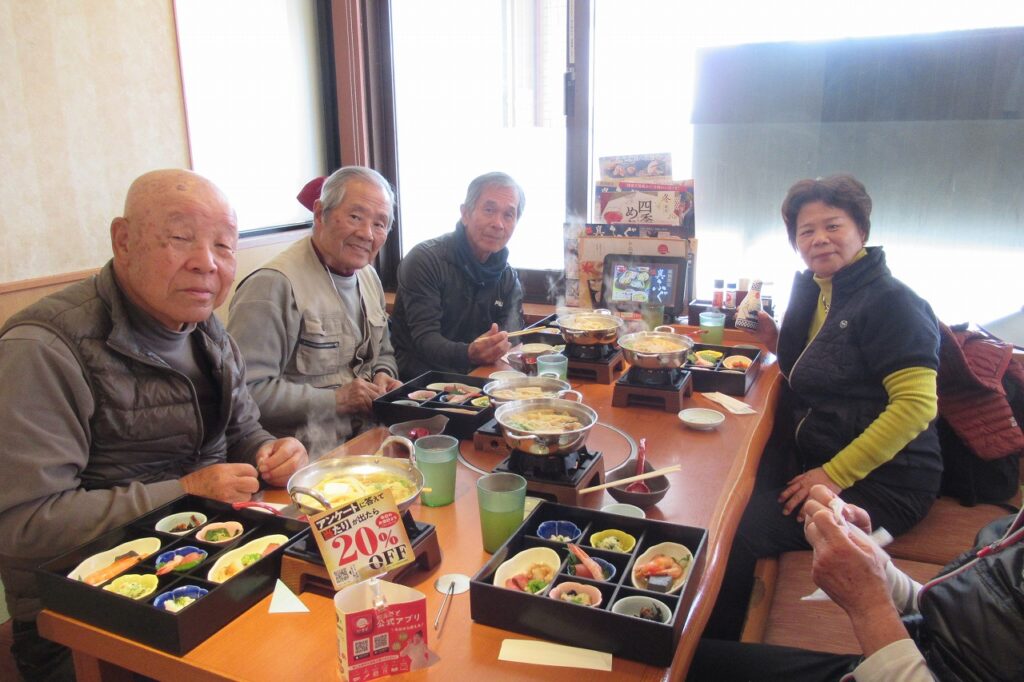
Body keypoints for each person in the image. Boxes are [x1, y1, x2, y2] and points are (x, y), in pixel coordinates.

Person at [0, 169, 308, 681]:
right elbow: (23, 527)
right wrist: (185, 491)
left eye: (224, 245)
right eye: (181, 237)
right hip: (85, 616)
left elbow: (243, 431)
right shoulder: (43, 348)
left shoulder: (205, 327)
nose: (207, 262)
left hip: (213, 568)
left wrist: (270, 451)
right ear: (123, 240)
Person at [706, 174, 942, 639]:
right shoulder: (818, 289)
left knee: (739, 526)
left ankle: (715, 646)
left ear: (862, 230)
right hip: (821, 451)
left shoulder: (893, 303)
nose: (819, 239)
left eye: (833, 226)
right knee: (727, 482)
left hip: (889, 481)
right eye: (806, 231)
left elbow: (917, 406)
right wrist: (776, 341)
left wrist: (833, 475)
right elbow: (830, 373)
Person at [689, 485, 1024, 681]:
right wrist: (874, 565)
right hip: (915, 660)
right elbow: (968, 617)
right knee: (689, 659)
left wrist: (871, 606)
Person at [227, 167, 402, 455]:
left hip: (368, 439)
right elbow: (245, 392)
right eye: (355, 217)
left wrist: (384, 374)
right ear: (320, 213)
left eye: (380, 224)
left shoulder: (368, 276)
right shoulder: (272, 286)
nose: (366, 234)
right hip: (301, 456)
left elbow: (383, 352)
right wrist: (336, 400)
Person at [389, 172, 525, 379]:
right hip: (421, 383)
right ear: (465, 213)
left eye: (508, 215)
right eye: (489, 210)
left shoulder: (508, 278)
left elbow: (512, 338)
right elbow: (425, 340)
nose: (498, 223)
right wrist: (469, 353)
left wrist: (498, 347)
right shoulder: (426, 260)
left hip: (478, 380)